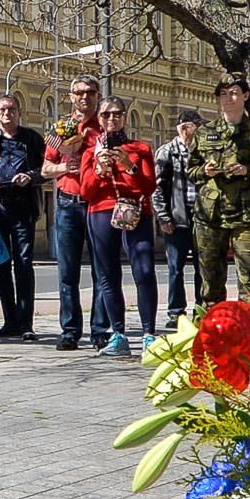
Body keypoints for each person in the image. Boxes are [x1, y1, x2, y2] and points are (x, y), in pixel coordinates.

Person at [190, 74, 250, 321]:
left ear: (245, 96)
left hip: (247, 214)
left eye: (233, 92)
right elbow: (191, 170)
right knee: (210, 281)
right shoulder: (205, 132)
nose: (228, 98)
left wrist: (248, 170)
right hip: (210, 214)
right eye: (223, 93)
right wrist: (205, 171)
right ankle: (209, 337)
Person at [82, 96, 159, 355]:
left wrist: (129, 165)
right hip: (102, 213)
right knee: (108, 274)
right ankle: (118, 334)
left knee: (144, 270)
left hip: (135, 211)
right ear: (99, 120)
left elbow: (149, 186)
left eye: (117, 114)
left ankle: (149, 333)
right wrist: (99, 170)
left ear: (124, 117)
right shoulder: (91, 152)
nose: (112, 119)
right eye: (106, 115)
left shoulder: (140, 148)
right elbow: (85, 191)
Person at [43, 75, 107, 349]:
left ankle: (99, 330)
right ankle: (70, 331)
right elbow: (45, 169)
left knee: (100, 272)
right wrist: (65, 168)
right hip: (68, 204)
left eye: (90, 92)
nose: (84, 97)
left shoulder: (103, 128)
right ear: (71, 97)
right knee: (67, 273)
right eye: (79, 93)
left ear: (98, 95)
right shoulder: (62, 129)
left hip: (96, 204)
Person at [0, 93, 46, 340]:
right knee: (1, 265)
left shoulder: (31, 139)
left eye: (12, 110)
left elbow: (46, 169)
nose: (7, 114)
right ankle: (10, 321)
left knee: (23, 264)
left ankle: (26, 323)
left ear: (19, 113)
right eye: (3, 110)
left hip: (23, 208)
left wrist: (30, 176)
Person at [153, 109, 202, 330]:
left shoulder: (203, 151)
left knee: (204, 268)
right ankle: (176, 312)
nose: (195, 131)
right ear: (182, 128)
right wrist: (163, 217)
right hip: (176, 217)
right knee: (175, 268)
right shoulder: (167, 152)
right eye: (192, 127)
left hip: (202, 218)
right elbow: (157, 188)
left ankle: (202, 310)